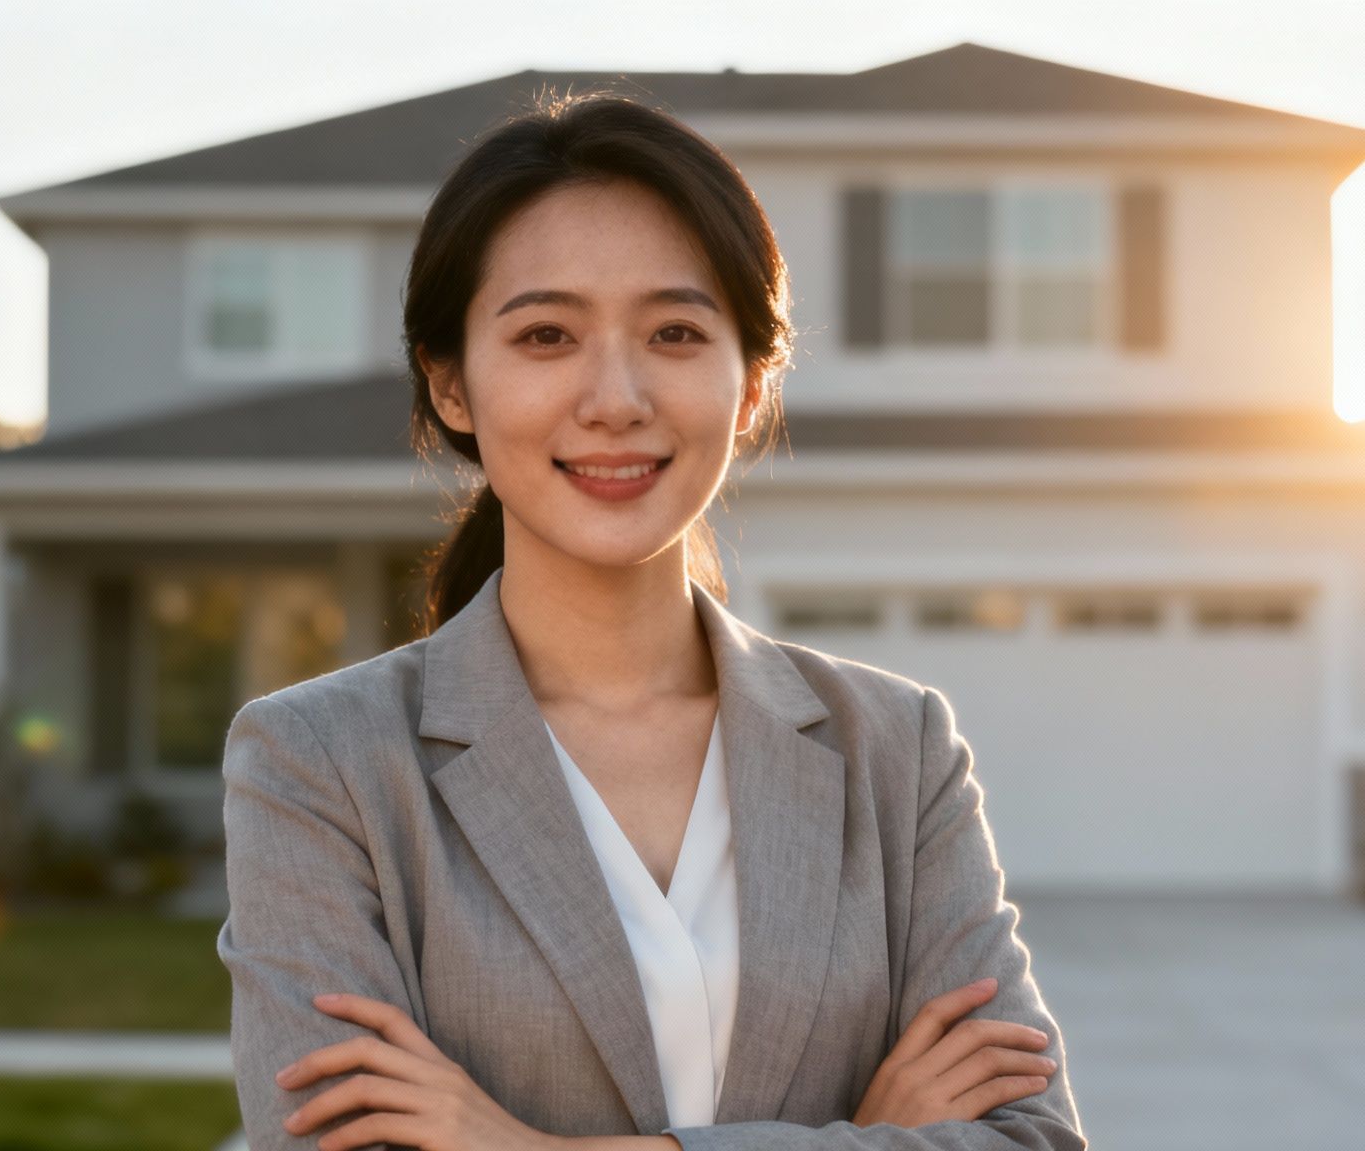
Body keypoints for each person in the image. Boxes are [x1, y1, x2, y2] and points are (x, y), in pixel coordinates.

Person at [217, 89, 1086, 1151]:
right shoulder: (322, 762)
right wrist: (855, 1136)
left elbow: (1025, 1138)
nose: (615, 396)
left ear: (753, 381)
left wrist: (526, 1149)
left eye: (674, 331)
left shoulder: (895, 751)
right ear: (450, 383)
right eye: (544, 335)